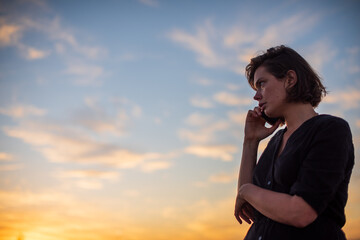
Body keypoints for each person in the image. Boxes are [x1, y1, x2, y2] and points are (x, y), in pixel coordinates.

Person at [234, 45, 354, 240]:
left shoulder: (330, 129)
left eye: (262, 84)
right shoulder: (275, 141)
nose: (256, 96)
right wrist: (250, 141)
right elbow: (248, 208)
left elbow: (301, 212)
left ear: (290, 79)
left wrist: (245, 190)